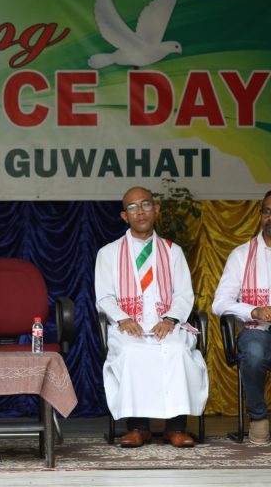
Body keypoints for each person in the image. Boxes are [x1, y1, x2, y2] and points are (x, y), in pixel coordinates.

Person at [95, 186, 208, 448]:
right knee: (133, 352)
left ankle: (176, 428)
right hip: (128, 326)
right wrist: (123, 319)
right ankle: (138, 428)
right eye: (133, 207)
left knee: (177, 349)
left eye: (145, 205)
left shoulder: (173, 251)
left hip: (164, 324)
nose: (140, 212)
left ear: (155, 209)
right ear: (125, 216)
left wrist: (170, 319)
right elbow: (103, 297)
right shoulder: (109, 253)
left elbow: (183, 295)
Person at [213, 190, 271, 444]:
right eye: (267, 211)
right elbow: (219, 303)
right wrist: (252, 311)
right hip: (256, 329)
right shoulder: (240, 255)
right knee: (255, 353)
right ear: (260, 216)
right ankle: (259, 417)